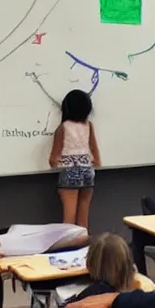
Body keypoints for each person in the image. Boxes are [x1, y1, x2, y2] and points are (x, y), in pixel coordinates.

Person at [49, 90, 100, 228]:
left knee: (69, 219)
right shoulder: (88, 125)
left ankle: (69, 246)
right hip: (87, 171)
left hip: (70, 172)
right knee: (83, 219)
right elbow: (95, 153)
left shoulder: (63, 128)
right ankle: (85, 246)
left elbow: (54, 159)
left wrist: (55, 162)